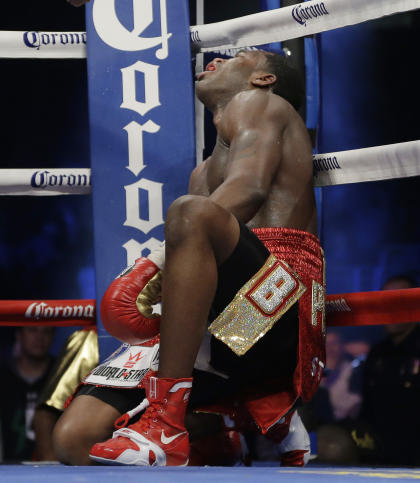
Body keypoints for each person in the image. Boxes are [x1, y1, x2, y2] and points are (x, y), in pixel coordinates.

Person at [53, 50, 325, 466]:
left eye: (238, 56)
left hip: (280, 302)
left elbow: (248, 190)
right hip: (221, 319)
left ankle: (167, 421)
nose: (215, 58)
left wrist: (154, 262)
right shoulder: (202, 175)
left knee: (190, 212)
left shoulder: (264, 105)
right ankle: (216, 435)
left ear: (264, 79)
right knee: (76, 439)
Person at [357, 275, 420, 466]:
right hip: (379, 452)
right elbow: (368, 411)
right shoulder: (377, 353)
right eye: (385, 301)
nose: (390, 308)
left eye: (398, 301)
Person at [0, 326, 55, 461]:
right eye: (32, 330)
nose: (39, 337)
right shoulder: (3, 376)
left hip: (53, 466)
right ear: (19, 335)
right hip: (7, 466)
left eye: (46, 332)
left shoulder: (61, 374)